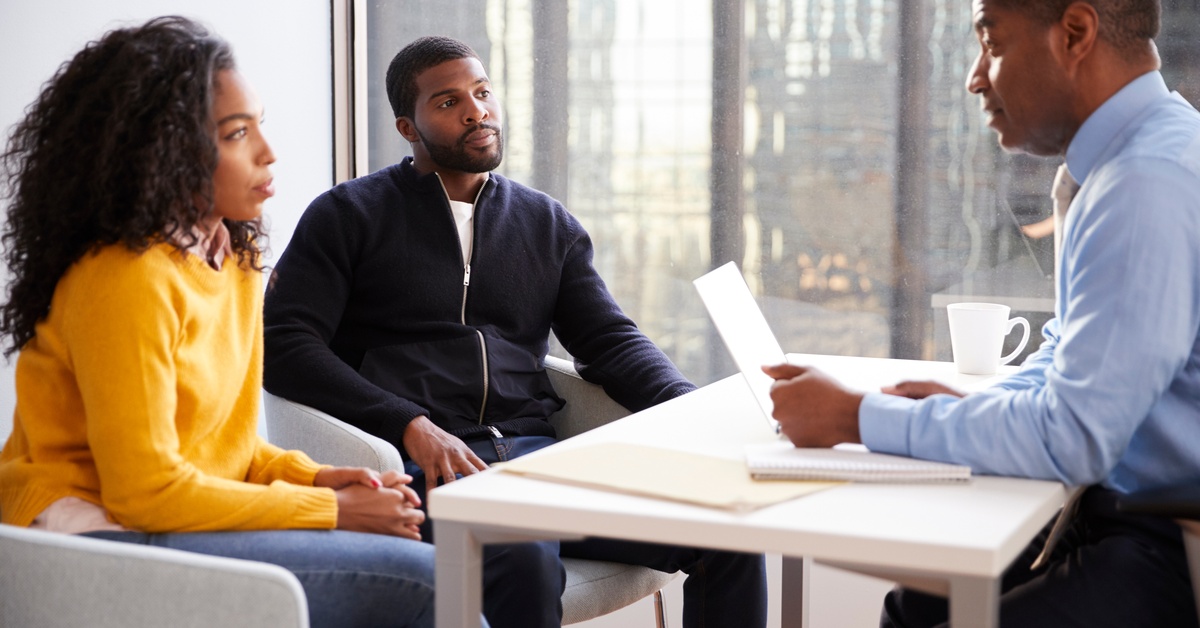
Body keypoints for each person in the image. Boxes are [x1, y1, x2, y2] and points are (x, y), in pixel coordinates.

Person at [263, 35, 767, 628]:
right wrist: (408, 424)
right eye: (448, 102)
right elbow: (285, 346)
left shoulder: (544, 223)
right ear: (407, 126)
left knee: (729, 533)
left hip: (537, 461)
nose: (476, 110)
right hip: (419, 468)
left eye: (481, 92)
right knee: (525, 555)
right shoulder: (348, 216)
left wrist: (693, 408)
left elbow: (609, 340)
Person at [765, 1, 1200, 626]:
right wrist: (975, 411)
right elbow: (1068, 349)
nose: (976, 77)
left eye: (992, 43)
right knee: (914, 606)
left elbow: (1073, 436)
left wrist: (857, 417)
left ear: (1074, 34)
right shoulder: (1131, 158)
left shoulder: (1144, 185)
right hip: (1121, 511)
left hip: (1170, 544)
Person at [0, 17, 444, 628]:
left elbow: (214, 446)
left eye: (259, 123)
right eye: (238, 133)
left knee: (417, 563)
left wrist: (314, 474)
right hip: (89, 535)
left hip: (159, 514)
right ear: (163, 150)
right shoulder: (125, 277)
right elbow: (145, 488)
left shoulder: (232, 257)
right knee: (425, 582)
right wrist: (330, 510)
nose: (268, 151)